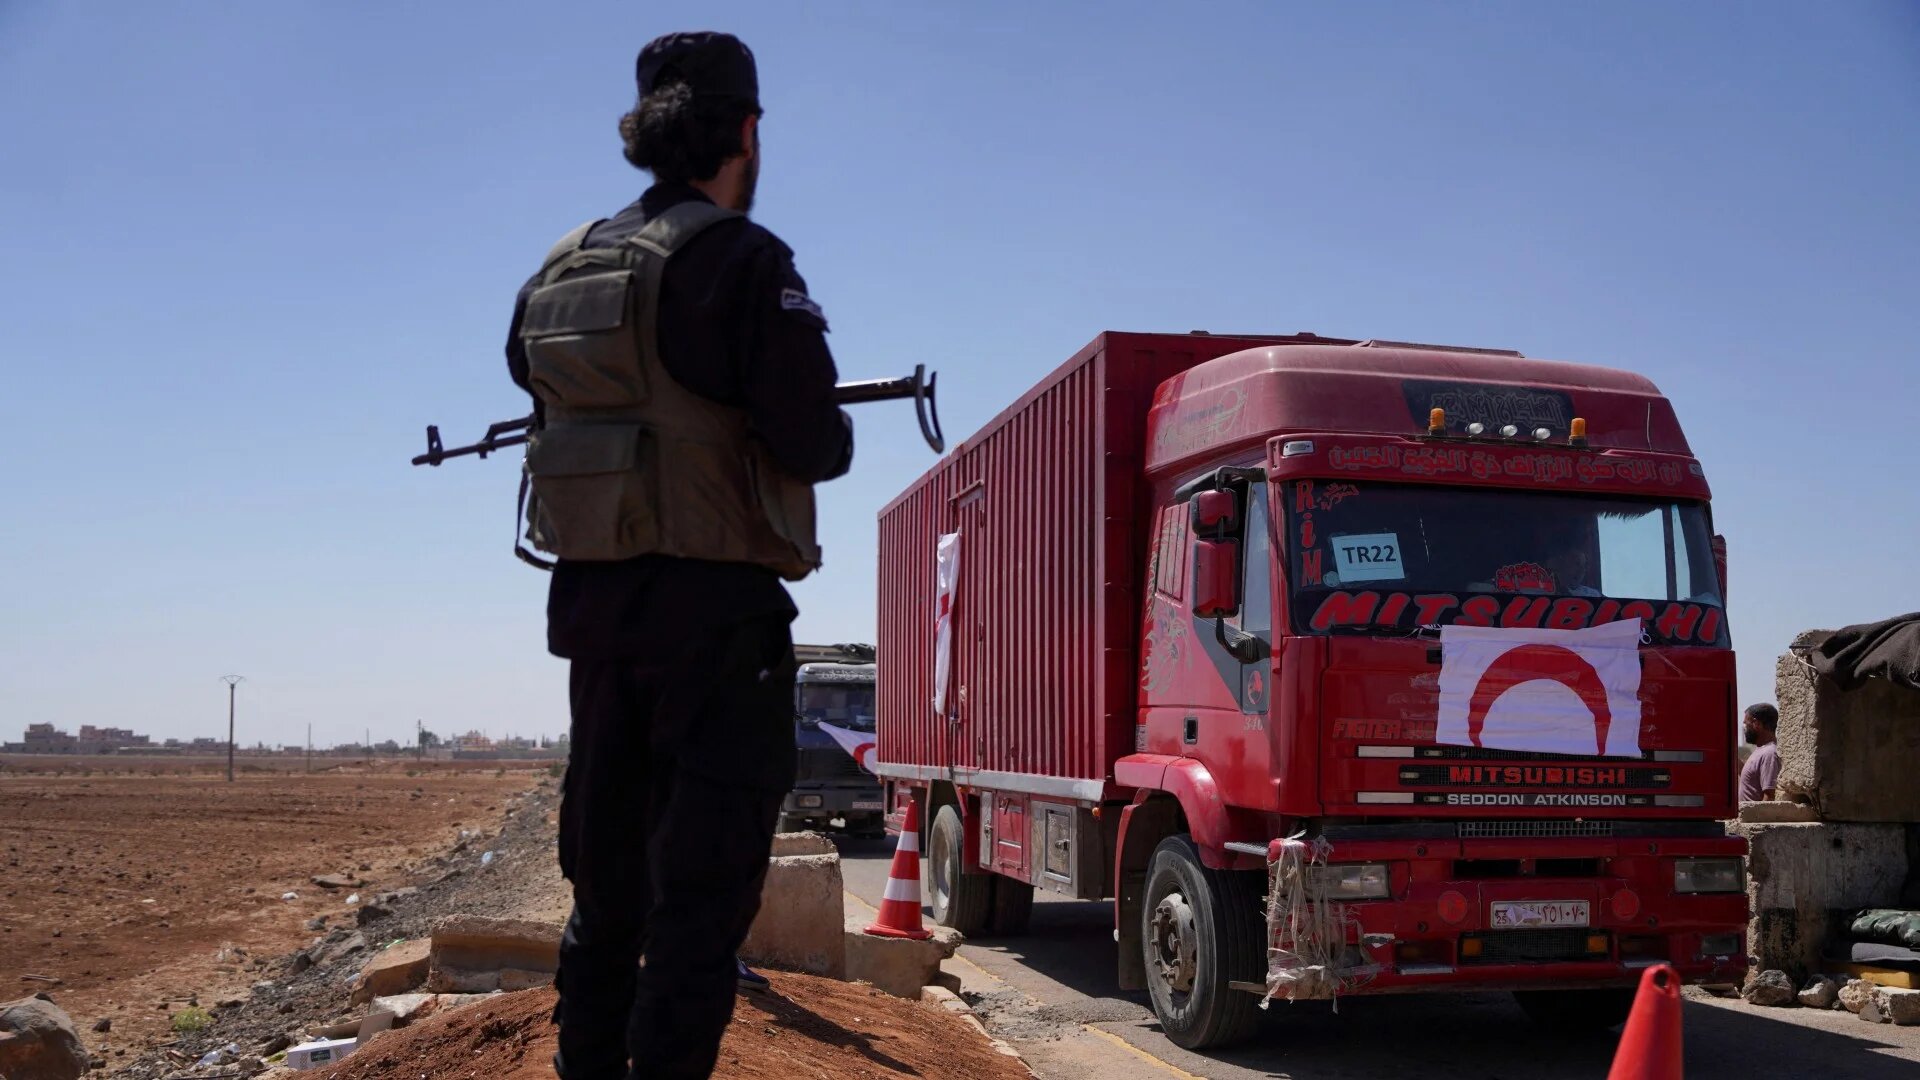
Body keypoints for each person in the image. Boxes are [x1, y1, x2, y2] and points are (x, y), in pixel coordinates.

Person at [503, 31, 852, 1080]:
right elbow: (815, 443)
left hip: (597, 632)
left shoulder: (557, 273)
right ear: (745, 131)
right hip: (718, 631)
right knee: (697, 915)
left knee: (606, 901)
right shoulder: (744, 263)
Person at [1738, 703, 1781, 802]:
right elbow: (1750, 779)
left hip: (1753, 817)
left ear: (1756, 724)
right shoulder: (1761, 750)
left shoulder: (1769, 753)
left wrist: (1759, 818)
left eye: (1746, 724)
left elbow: (1769, 796)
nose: (1745, 729)